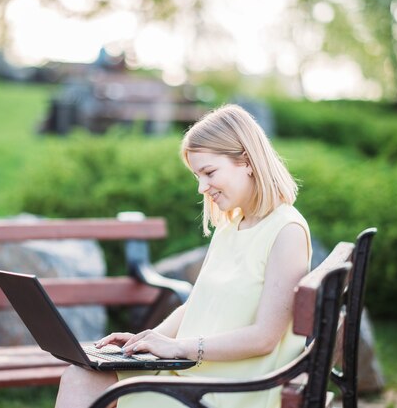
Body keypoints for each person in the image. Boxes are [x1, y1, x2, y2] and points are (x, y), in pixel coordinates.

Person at [55, 104, 312, 408]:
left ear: (246, 160)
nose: (203, 187)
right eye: (197, 176)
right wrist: (146, 341)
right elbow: (198, 304)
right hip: (193, 371)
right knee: (79, 376)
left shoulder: (286, 231)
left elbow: (264, 337)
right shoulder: (232, 223)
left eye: (209, 172)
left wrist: (178, 348)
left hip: (230, 388)